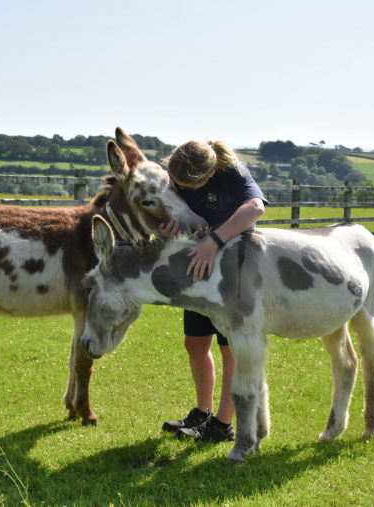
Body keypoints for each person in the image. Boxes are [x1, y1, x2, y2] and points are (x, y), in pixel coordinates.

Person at [158, 138, 267, 443]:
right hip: (199, 270)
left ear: (207, 177)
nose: (181, 190)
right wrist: (166, 230)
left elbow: (255, 208)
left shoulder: (231, 170)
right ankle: (202, 414)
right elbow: (171, 215)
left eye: (187, 186)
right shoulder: (178, 176)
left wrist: (213, 241)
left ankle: (222, 424)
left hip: (235, 271)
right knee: (194, 343)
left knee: (229, 349)